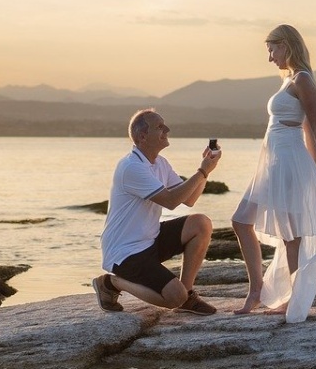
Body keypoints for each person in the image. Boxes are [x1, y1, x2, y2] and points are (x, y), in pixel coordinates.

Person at [232, 24, 316, 323]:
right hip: (274, 165)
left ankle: (292, 299)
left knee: (290, 235)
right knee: (243, 221)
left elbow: (315, 127)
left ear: (286, 45)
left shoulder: (303, 79)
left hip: (288, 164)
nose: (270, 58)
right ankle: (259, 291)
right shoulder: (290, 80)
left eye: (271, 49)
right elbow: (304, 127)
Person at [94, 108, 222, 315]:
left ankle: (187, 296)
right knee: (174, 297)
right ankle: (112, 282)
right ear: (142, 136)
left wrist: (207, 169)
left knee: (201, 223)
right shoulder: (131, 167)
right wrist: (203, 171)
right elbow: (171, 201)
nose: (167, 130)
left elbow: (189, 199)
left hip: (150, 240)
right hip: (125, 253)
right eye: (160, 127)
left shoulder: (160, 163)